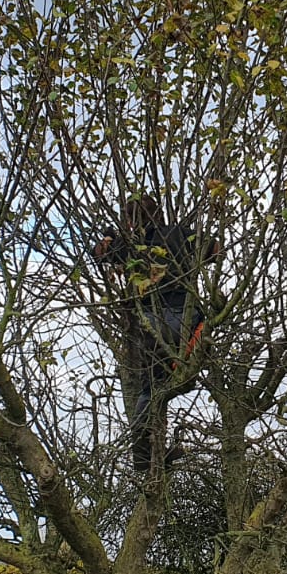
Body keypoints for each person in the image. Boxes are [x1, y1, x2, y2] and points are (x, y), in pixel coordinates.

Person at [93, 196, 218, 472]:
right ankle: (183, 362)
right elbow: (216, 250)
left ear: (130, 221)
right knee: (196, 344)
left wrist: (112, 234)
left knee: (151, 389)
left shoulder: (131, 246)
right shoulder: (178, 233)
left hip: (150, 322)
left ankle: (142, 453)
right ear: (158, 215)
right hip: (185, 315)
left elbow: (99, 253)